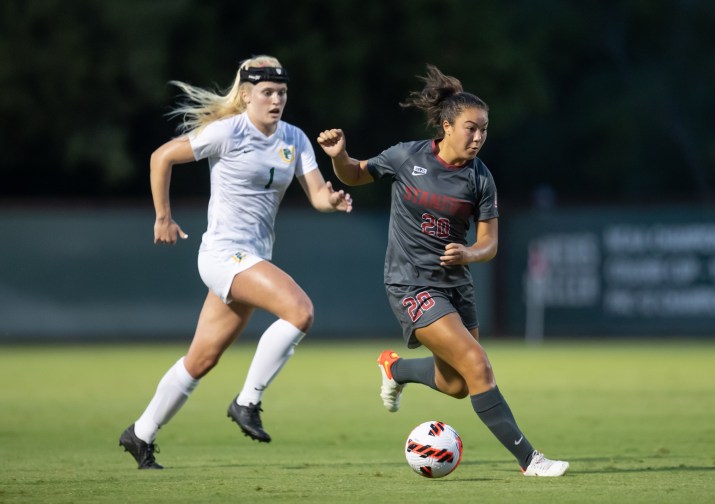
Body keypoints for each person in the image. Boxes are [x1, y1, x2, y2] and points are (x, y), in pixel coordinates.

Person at [317, 65, 569, 477]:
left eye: (484, 130)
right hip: (410, 283)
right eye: (471, 129)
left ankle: (394, 368)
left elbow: (490, 243)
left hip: (456, 286)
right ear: (447, 126)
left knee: (455, 384)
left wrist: (469, 253)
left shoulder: (480, 178)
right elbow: (355, 174)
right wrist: (340, 156)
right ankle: (531, 461)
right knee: (478, 364)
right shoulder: (407, 156)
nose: (478, 137)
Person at [119, 55, 353, 470]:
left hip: (251, 259)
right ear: (245, 96)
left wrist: (332, 201)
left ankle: (140, 433)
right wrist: (163, 217)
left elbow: (317, 195)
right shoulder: (228, 132)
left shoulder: (295, 139)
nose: (276, 99)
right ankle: (247, 402)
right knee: (300, 312)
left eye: (281, 92)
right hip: (223, 255)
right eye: (267, 93)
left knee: (201, 360)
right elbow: (161, 157)